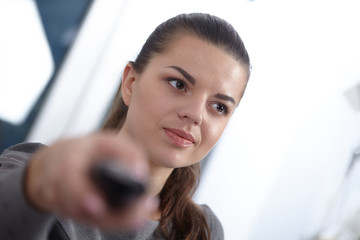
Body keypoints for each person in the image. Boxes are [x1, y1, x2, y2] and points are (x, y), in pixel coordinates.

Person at [0, 12, 250, 240]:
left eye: (219, 107)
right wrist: (37, 183)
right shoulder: (35, 170)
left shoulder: (203, 230)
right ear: (130, 83)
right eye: (178, 84)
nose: (196, 115)